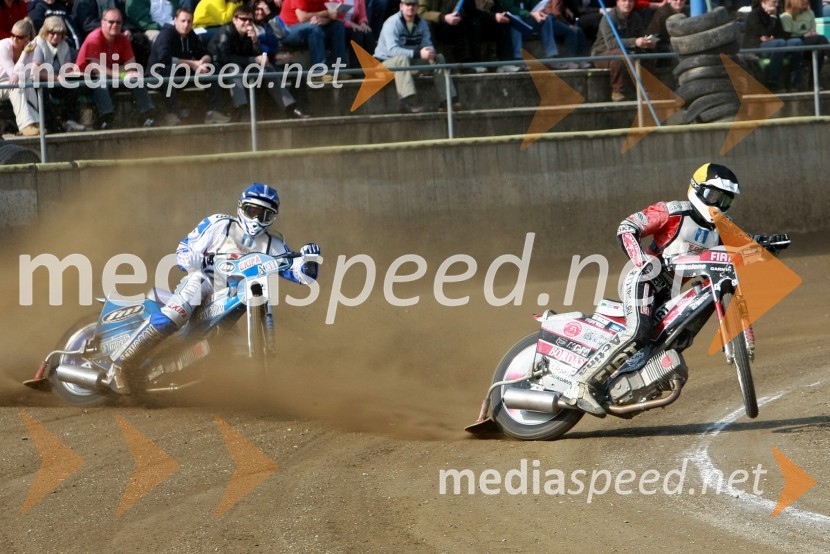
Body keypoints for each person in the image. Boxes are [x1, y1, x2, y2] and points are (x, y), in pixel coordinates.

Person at [106, 183, 322, 394]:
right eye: (252, 211)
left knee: (230, 351)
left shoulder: (274, 244)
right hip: (205, 281)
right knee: (175, 314)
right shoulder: (219, 224)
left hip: (234, 296)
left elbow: (301, 275)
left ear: (272, 217)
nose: (256, 219)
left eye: (264, 215)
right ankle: (120, 364)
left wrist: (309, 259)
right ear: (241, 207)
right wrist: (192, 258)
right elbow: (184, 249)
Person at [565, 163, 743, 415]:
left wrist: (768, 243)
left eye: (726, 200)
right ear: (697, 189)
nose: (719, 205)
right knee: (638, 332)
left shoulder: (723, 227)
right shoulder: (672, 211)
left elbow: (742, 247)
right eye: (714, 196)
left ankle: (626, 385)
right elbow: (627, 227)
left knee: (676, 339)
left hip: (669, 294)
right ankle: (581, 384)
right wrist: (641, 261)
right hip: (643, 279)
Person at [208, 5, 312, 120]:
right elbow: (225, 58)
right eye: (243, 19)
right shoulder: (225, 32)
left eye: (250, 20)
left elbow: (256, 55)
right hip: (220, 69)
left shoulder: (249, 34)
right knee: (235, 68)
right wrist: (254, 60)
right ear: (234, 20)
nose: (247, 23)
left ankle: (290, 108)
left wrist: (255, 42)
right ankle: (241, 109)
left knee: (266, 68)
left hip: (243, 66)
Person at [147, 8, 232, 125]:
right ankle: (171, 114)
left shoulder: (191, 35)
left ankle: (214, 112)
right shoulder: (166, 34)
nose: (186, 25)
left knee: (213, 68)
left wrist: (202, 62)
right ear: (175, 20)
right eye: (183, 21)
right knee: (169, 70)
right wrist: (193, 64)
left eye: (189, 21)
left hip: (181, 76)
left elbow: (206, 53)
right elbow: (165, 59)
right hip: (157, 76)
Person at [76, 8, 158, 129]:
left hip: (111, 78)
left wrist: (121, 73)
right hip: (85, 82)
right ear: (102, 22)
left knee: (134, 77)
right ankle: (106, 119)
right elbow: (96, 68)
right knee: (101, 78)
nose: (115, 25)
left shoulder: (123, 39)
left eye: (118, 22)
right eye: (111, 22)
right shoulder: (94, 38)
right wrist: (122, 74)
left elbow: (131, 66)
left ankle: (148, 115)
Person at [374, 0, 459, 113]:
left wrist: (430, 51)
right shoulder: (392, 23)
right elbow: (393, 50)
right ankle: (407, 102)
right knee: (402, 59)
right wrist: (418, 53)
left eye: (413, 4)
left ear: (418, 7)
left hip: (409, 63)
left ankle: (448, 101)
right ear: (401, 6)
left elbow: (427, 43)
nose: (411, 7)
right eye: (407, 4)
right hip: (384, 65)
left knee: (438, 58)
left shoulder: (422, 23)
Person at [18, 16, 86, 132]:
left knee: (73, 86)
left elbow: (67, 67)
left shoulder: (64, 45)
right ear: (45, 32)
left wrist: (72, 72)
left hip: (56, 81)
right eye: (52, 33)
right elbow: (35, 72)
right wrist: (57, 78)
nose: (56, 36)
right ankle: (50, 124)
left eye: (59, 34)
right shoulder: (38, 44)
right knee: (42, 89)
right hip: (39, 81)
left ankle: (70, 120)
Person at [590, 0, 656, 101]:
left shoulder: (635, 17)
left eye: (630, 1)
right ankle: (617, 91)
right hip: (602, 53)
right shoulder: (609, 18)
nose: (627, 4)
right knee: (620, 55)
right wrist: (635, 41)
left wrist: (647, 42)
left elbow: (641, 34)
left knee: (648, 54)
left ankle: (647, 89)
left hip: (627, 50)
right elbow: (611, 43)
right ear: (617, 2)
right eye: (623, 1)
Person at [279, 0, 349, 80]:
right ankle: (319, 71)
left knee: (337, 26)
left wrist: (324, 21)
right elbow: (302, 17)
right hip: (288, 31)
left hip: (311, 28)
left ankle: (340, 69)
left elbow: (330, 16)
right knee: (314, 28)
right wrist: (325, 13)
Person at [743, 0, 803, 91]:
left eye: (777, 2)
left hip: (774, 43)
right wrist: (772, 18)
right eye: (774, 2)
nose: (777, 4)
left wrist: (774, 37)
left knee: (797, 42)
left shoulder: (775, 13)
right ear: (764, 2)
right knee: (779, 43)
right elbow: (764, 33)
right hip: (757, 46)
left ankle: (793, 81)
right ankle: (773, 81)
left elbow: (780, 33)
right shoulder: (754, 15)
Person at [0, 18, 40, 136]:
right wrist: (24, 54)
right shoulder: (3, 46)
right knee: (17, 86)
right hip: (5, 84)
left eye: (19, 37)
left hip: (7, 84)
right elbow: (13, 74)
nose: (14, 39)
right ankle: (25, 126)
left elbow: (26, 74)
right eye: (12, 35)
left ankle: (36, 123)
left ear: (27, 37)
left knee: (28, 83)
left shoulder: (30, 47)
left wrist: (27, 53)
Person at [781, 0, 827, 80]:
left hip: (811, 42)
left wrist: (813, 33)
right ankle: (813, 81)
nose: (806, 1)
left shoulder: (810, 12)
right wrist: (804, 36)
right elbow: (786, 39)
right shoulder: (786, 16)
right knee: (821, 40)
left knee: (820, 48)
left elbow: (813, 30)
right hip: (795, 44)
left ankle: (813, 81)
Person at [543, 0, 591, 68]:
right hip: (549, 19)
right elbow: (556, 12)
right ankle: (569, 60)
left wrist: (565, 8)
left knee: (579, 30)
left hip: (554, 18)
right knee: (571, 32)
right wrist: (568, 25)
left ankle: (582, 59)